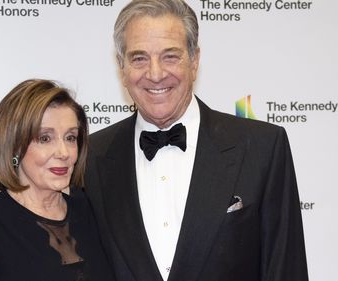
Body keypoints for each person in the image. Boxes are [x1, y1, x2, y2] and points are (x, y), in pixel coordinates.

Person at [84, 1, 309, 281]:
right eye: (139, 58)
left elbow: (285, 270)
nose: (155, 74)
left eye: (170, 56)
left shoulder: (262, 147)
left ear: (194, 60)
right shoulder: (90, 158)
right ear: (122, 68)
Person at [0, 79, 115, 281]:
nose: (63, 152)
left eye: (70, 137)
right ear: (15, 146)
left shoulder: (91, 210)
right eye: (45, 138)